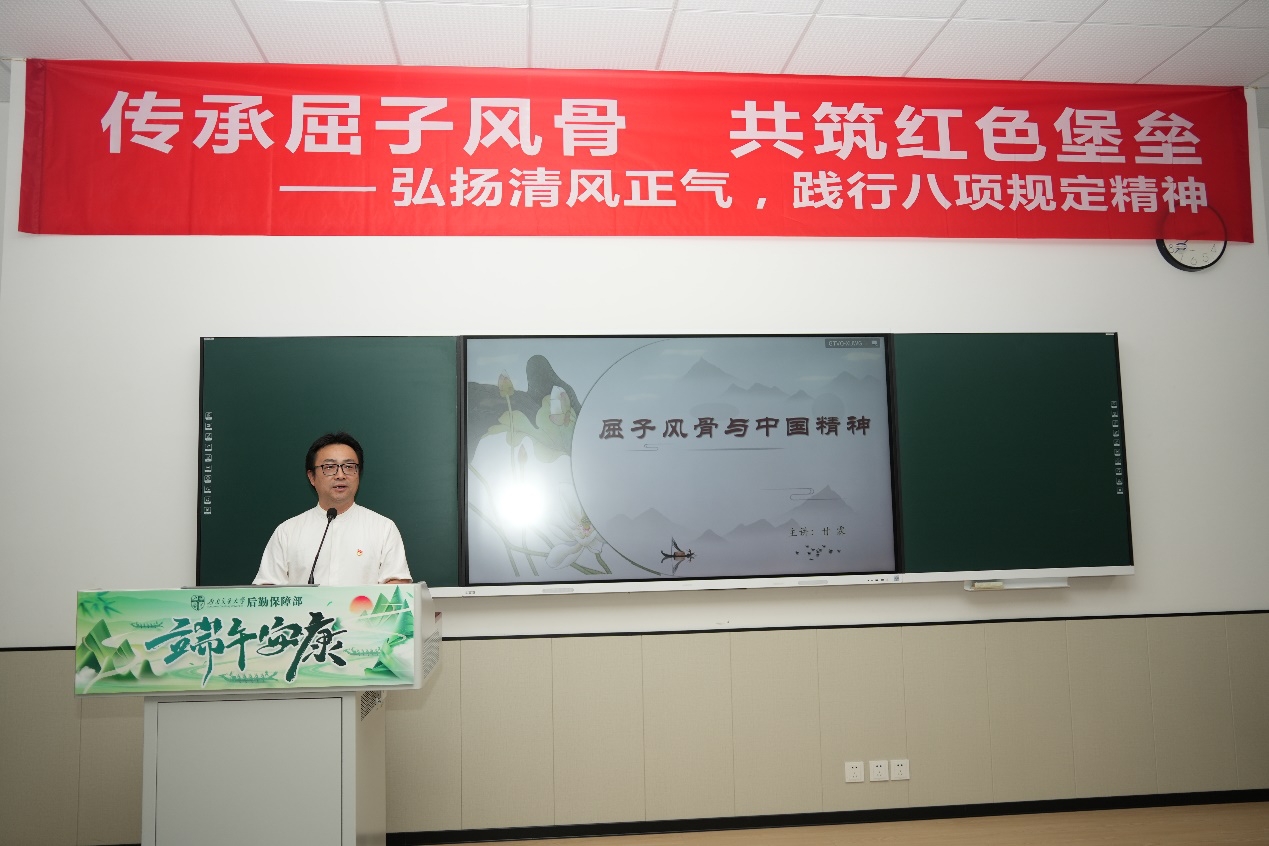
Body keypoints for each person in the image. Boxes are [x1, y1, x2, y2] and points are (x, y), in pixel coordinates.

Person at [254, 432, 413, 586]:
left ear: (358, 474)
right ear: (311, 477)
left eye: (349, 467)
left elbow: (399, 588)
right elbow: (266, 591)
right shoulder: (287, 532)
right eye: (330, 467)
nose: (340, 475)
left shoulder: (383, 528)